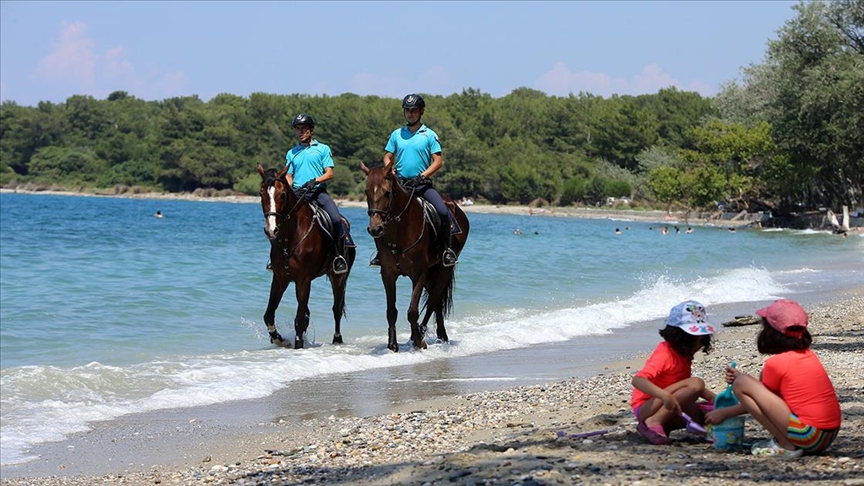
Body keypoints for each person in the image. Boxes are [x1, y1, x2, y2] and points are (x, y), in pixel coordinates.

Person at [705, 299, 841, 459]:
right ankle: (789, 442)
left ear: (770, 333)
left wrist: (724, 413)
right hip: (827, 436)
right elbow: (768, 397)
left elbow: (763, 404)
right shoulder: (808, 355)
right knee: (743, 381)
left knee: (741, 383)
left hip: (809, 436)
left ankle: (786, 445)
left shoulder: (776, 363)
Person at [369, 93, 459, 268]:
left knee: (442, 211)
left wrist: (422, 176)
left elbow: (438, 162)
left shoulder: (429, 135)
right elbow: (387, 156)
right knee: (380, 212)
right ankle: (382, 253)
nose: (410, 114)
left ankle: (446, 250)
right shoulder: (397, 134)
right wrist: (390, 170)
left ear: (421, 111)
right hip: (400, 184)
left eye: (414, 110)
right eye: (407, 110)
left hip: (422, 185)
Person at [631, 300, 717, 445]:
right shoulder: (665, 354)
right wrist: (664, 396)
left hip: (669, 405)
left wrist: (717, 399)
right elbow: (638, 380)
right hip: (647, 407)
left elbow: (681, 387)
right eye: (695, 340)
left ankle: (663, 425)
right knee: (696, 383)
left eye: (702, 340)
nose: (699, 345)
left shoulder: (683, 354)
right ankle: (654, 421)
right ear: (680, 337)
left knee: (709, 413)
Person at [275, 113, 348, 275]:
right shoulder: (291, 153)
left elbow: (329, 173)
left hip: (317, 192)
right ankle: (276, 258)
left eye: (304, 129)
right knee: (279, 221)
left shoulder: (322, 149)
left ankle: (338, 257)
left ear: (311, 130)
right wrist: (289, 187)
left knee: (336, 219)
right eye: (298, 129)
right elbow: (289, 175)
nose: (301, 132)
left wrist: (315, 180)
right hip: (298, 193)